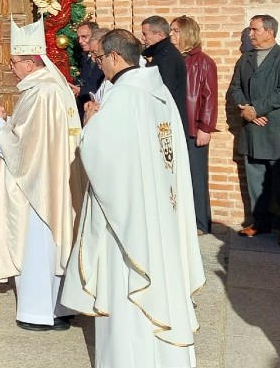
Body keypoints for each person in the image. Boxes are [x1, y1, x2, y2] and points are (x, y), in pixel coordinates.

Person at [61, 29, 205, 367]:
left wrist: (90, 123)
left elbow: (99, 154)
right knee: (161, 277)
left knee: (128, 288)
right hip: (160, 207)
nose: (98, 64)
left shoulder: (123, 96)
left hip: (129, 219)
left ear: (114, 56)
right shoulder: (158, 90)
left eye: (99, 58)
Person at [0, 17, 82, 331]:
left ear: (29, 64)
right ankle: (60, 309)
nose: (11, 68)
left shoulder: (40, 93)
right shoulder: (56, 87)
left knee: (37, 245)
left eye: (13, 62)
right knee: (56, 243)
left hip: (37, 185)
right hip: (57, 179)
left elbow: (23, 148)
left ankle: (38, 313)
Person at [228, 14, 280, 246]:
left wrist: (256, 109)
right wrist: (246, 108)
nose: (250, 34)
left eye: (254, 29)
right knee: (255, 180)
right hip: (252, 129)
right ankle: (260, 222)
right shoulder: (245, 59)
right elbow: (235, 88)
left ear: (269, 32)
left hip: (276, 130)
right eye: (250, 30)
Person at [171, 15, 218, 235]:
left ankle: (201, 222)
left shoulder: (204, 62)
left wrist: (205, 127)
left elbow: (209, 97)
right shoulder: (173, 59)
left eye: (175, 31)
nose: (171, 35)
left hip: (193, 128)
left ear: (187, 33)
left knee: (196, 175)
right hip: (174, 126)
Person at [140, 15, 189, 134]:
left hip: (168, 122)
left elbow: (164, 91)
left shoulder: (166, 57)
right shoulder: (161, 53)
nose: (143, 38)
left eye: (145, 34)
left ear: (159, 35)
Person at [71, 21, 105, 119]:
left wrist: (81, 90)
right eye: (78, 38)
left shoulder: (105, 59)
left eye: (84, 37)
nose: (80, 41)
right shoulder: (85, 58)